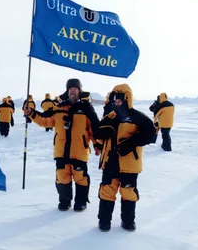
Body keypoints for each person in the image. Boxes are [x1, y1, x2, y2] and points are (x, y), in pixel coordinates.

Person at [24, 79, 101, 211]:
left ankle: (81, 202)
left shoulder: (86, 108)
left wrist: (97, 145)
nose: (72, 90)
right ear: (67, 91)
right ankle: (65, 201)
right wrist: (31, 113)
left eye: (75, 88)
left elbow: (94, 128)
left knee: (80, 177)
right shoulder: (58, 107)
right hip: (61, 150)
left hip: (79, 150)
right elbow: (45, 120)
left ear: (80, 91)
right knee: (62, 177)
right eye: (70, 88)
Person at [94, 84, 156, 232]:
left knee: (128, 192)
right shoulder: (110, 117)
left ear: (127, 99)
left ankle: (128, 222)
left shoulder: (137, 117)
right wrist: (100, 136)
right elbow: (98, 136)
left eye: (120, 101)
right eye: (115, 101)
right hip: (110, 161)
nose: (117, 104)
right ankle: (104, 221)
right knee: (107, 191)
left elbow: (151, 135)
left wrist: (131, 143)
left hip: (129, 163)